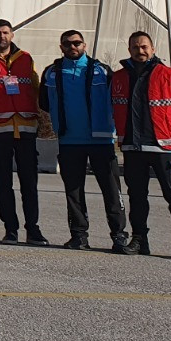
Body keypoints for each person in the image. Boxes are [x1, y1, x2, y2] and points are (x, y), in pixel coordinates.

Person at [40, 29, 130, 253]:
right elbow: (44, 102)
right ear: (61, 47)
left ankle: (119, 235)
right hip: (69, 140)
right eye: (67, 43)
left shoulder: (102, 71)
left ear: (85, 45)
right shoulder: (51, 73)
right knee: (73, 191)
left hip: (100, 140)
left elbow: (116, 99)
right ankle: (79, 235)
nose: (72, 47)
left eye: (77, 43)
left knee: (111, 190)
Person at [111, 31, 171, 260]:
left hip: (164, 148)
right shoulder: (119, 78)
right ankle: (139, 239)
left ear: (153, 49)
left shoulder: (169, 75)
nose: (140, 51)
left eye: (144, 47)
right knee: (136, 197)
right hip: (133, 148)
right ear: (129, 50)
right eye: (135, 47)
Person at [0, 19, 48, 245]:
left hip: (25, 128)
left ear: (12, 35)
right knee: (3, 182)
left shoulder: (26, 58)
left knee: (29, 182)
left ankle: (33, 229)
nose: (1, 36)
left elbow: (35, 87)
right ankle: (10, 229)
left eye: (5, 32)